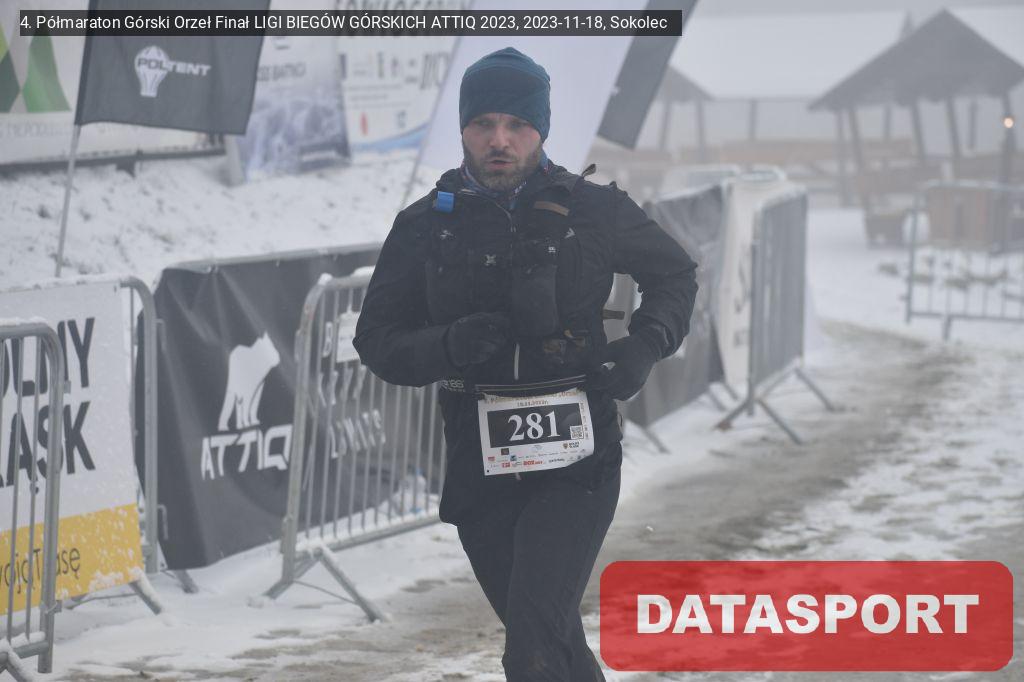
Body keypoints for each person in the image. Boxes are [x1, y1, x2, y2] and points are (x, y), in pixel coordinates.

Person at [354, 47, 698, 681]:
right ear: (464, 129)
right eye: (484, 123)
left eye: (517, 124)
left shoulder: (594, 209)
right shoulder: (425, 224)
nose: (500, 140)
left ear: (541, 129)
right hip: (478, 464)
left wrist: (645, 345)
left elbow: (675, 275)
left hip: (577, 461)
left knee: (532, 647)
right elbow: (376, 340)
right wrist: (448, 344)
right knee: (551, 642)